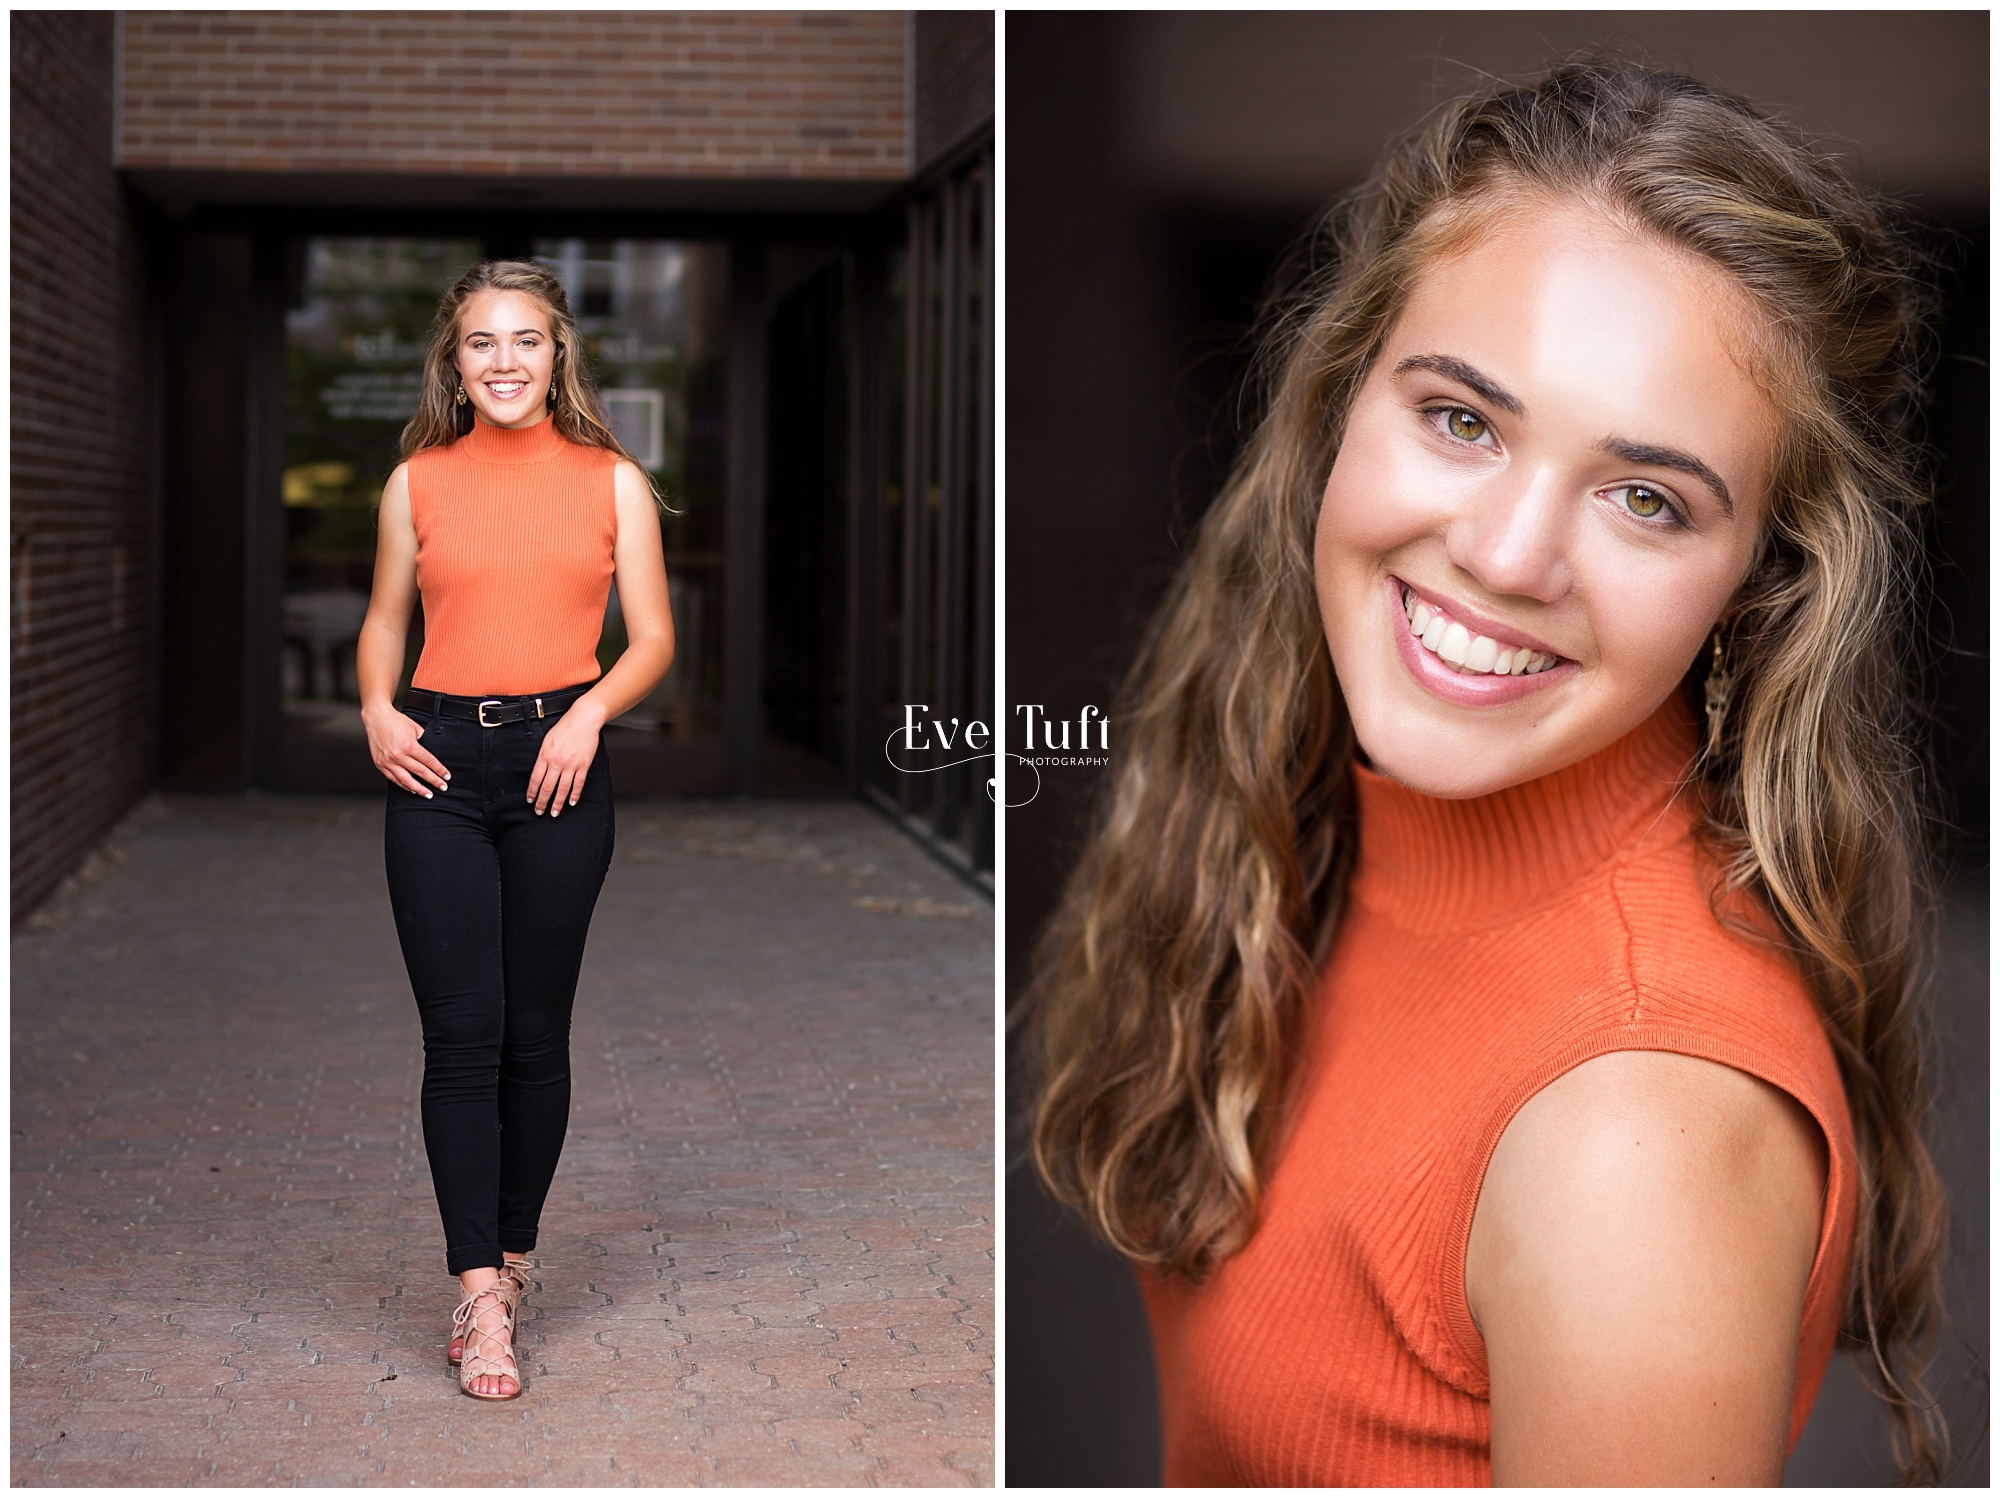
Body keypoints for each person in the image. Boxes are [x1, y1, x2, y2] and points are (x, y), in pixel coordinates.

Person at [1023, 62, 1951, 1483]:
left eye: (1645, 499)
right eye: (1462, 419)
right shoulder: (1308, 824)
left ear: (1759, 585)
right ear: (1341, 404)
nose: (1508, 558)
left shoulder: (1633, 1128)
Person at [356, 260, 673, 1400]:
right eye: (481, 342)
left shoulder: (611, 481)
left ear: (556, 355)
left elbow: (652, 639)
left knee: (534, 1033)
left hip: (558, 763)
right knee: (460, 1035)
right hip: (437, 764)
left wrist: (587, 715)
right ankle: (479, 1292)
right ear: (455, 363)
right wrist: (375, 707)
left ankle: (516, 1251)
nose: (504, 361)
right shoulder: (415, 483)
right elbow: (383, 621)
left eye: (525, 340)